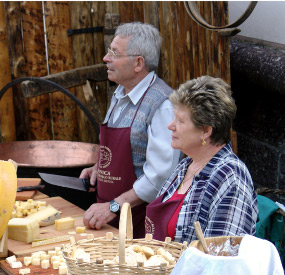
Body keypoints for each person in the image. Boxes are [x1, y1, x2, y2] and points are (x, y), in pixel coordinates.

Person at [81, 22, 181, 238]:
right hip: (107, 220)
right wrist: (100, 167)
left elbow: (159, 178)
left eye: (114, 53)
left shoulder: (162, 105)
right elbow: (124, 149)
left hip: (140, 224)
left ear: (138, 63)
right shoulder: (120, 93)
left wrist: (113, 207)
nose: (106, 58)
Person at [145, 75, 258, 243]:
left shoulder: (231, 177)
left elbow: (221, 257)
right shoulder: (186, 165)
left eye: (180, 121)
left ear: (205, 131)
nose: (171, 125)